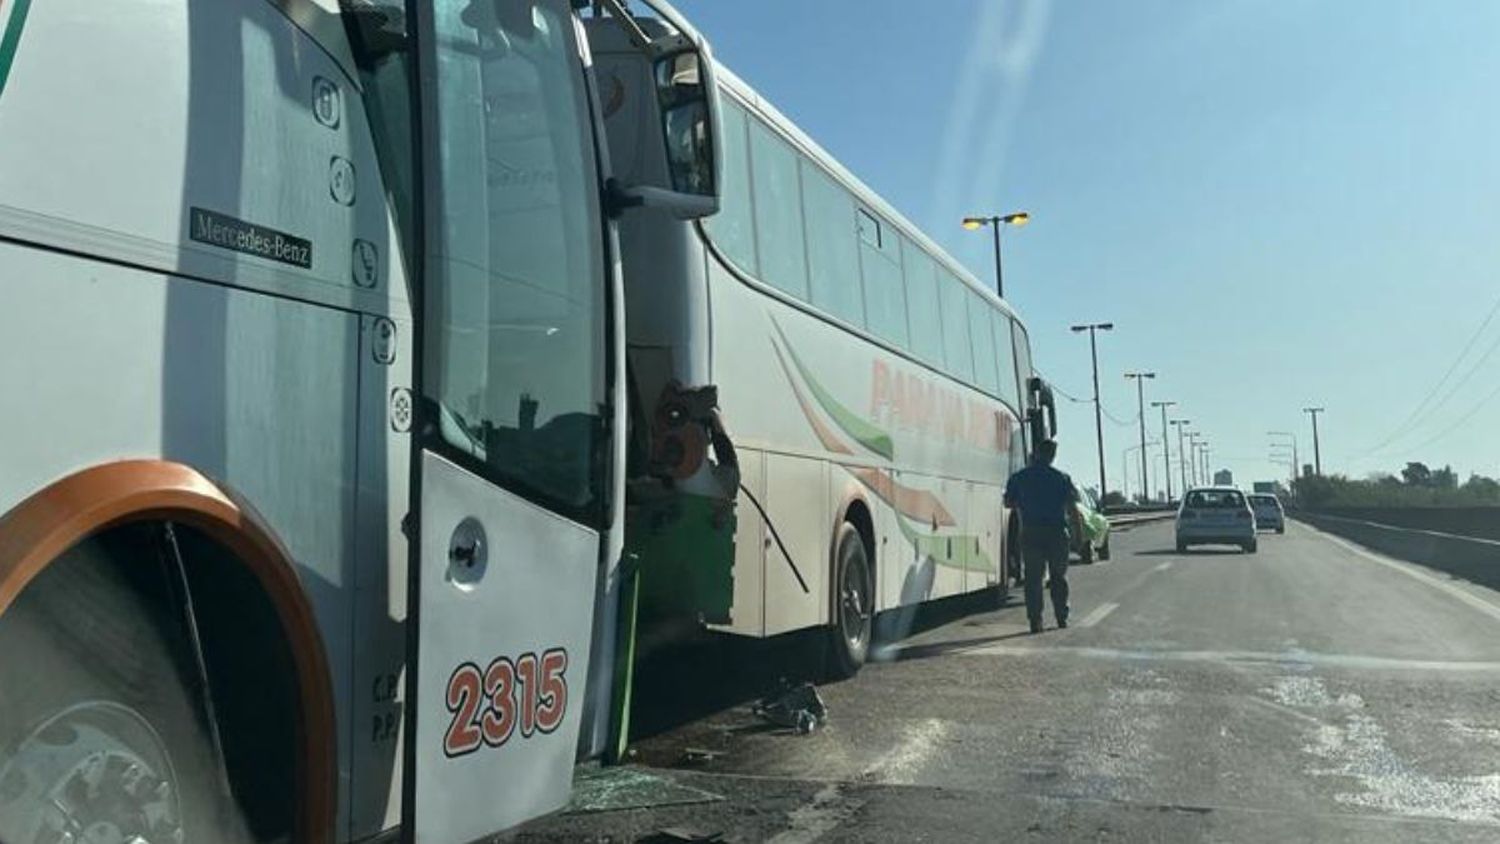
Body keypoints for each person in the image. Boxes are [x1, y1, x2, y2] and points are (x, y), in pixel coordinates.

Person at [1003, 439, 1085, 634]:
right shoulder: (1062, 478)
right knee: (1058, 577)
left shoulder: (1019, 477)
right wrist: (1079, 534)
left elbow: (1008, 503)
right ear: (1052, 456)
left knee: (1033, 578)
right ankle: (1061, 616)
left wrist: (1026, 504)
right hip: (1057, 533)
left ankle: (1035, 620)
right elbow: (1072, 509)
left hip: (1031, 531)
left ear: (1036, 453)